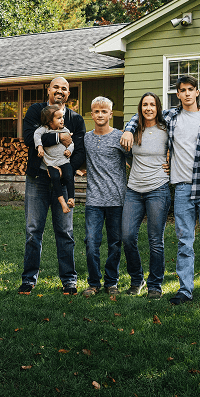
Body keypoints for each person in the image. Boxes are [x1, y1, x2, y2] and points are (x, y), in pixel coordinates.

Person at [121, 75, 200, 305]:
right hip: (182, 188)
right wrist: (128, 129)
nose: (187, 93)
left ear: (197, 92)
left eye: (191, 89)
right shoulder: (170, 117)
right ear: (177, 94)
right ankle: (185, 289)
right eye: (182, 90)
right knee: (185, 241)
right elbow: (142, 116)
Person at [19, 77, 86, 296]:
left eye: (64, 88)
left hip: (63, 180)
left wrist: (64, 168)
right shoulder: (36, 111)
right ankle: (29, 279)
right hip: (37, 179)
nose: (60, 91)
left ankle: (69, 280)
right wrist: (60, 136)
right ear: (48, 90)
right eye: (56, 87)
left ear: (69, 94)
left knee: (65, 231)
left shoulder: (75, 119)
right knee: (33, 231)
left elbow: (80, 150)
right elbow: (30, 138)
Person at [121, 92, 170, 299]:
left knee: (155, 240)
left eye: (152, 105)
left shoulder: (166, 129)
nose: (148, 108)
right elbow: (127, 154)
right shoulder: (134, 130)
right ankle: (136, 279)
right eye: (144, 105)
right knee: (127, 236)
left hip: (158, 189)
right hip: (133, 190)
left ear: (158, 107)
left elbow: (182, 150)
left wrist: (172, 166)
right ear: (140, 108)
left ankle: (155, 285)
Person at [81, 97, 129, 297]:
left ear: (111, 114)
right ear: (91, 115)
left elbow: (137, 159)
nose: (100, 115)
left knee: (115, 243)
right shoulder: (86, 138)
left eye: (104, 111)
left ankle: (111, 282)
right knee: (91, 242)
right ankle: (93, 283)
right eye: (96, 111)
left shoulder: (120, 137)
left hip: (117, 200)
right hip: (93, 201)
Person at [34, 105, 75, 214]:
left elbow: (71, 143)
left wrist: (70, 150)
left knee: (69, 176)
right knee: (55, 177)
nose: (62, 120)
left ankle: (71, 198)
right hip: (51, 162)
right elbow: (36, 135)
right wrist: (40, 146)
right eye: (59, 118)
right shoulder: (44, 130)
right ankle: (62, 203)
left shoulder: (65, 130)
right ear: (49, 121)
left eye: (62, 117)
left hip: (64, 160)